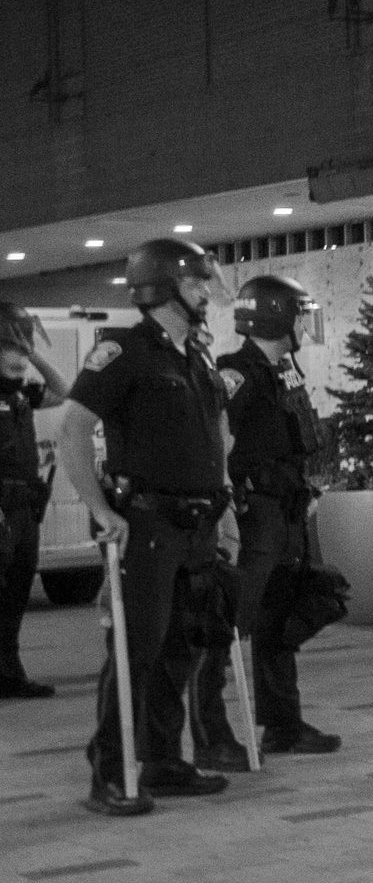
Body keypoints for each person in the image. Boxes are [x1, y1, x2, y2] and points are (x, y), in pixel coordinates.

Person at [56, 238, 237, 815]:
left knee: (181, 648)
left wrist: (224, 507)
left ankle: (161, 759)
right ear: (163, 287)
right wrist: (102, 511)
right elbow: (73, 431)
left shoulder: (198, 355)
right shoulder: (123, 352)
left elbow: (214, 439)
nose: (206, 291)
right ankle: (109, 771)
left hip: (198, 525)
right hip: (148, 525)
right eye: (195, 282)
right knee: (135, 650)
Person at [191, 276, 341, 767]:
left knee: (280, 619)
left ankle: (284, 725)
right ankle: (210, 732)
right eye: (299, 313)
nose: (304, 322)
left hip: (287, 507)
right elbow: (210, 428)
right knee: (230, 620)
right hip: (257, 513)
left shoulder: (284, 369)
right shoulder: (240, 372)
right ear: (276, 317)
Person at [0, 307, 67, 700]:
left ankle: (9, 673)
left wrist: (36, 355)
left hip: (24, 508)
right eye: (12, 348)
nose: (21, 357)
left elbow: (64, 391)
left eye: (24, 350)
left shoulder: (21, 393)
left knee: (16, 593)